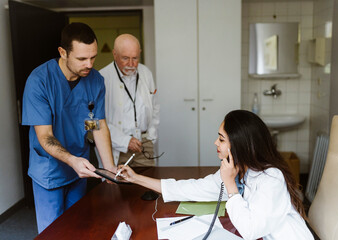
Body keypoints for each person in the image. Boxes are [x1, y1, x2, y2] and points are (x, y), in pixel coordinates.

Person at [119, 110, 314, 240]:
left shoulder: (271, 178)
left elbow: (251, 230)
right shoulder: (238, 172)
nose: (215, 143)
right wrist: (135, 178)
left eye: (221, 139)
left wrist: (230, 186)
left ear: (239, 144)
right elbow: (190, 188)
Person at [22, 22, 117, 233]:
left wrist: (109, 167)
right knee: (53, 233)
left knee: (78, 227)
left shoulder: (96, 81)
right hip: (50, 169)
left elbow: (97, 125)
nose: (90, 64)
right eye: (82, 58)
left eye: (93, 57)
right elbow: (45, 136)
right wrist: (72, 160)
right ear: (63, 52)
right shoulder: (39, 81)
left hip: (80, 169)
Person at [98, 34, 160, 167]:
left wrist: (151, 135)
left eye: (135, 58)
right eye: (125, 58)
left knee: (148, 184)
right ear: (115, 54)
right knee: (118, 186)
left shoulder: (146, 73)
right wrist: (125, 141)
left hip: (144, 144)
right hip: (117, 147)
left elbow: (154, 107)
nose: (131, 64)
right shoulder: (102, 78)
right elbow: (97, 121)